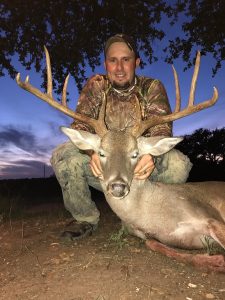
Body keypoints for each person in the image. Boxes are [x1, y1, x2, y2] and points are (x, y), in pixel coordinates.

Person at [51, 34, 192, 239]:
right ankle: (85, 218)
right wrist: (91, 151)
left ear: (136, 62)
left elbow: (161, 130)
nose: (119, 67)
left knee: (178, 164)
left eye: (126, 60)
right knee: (63, 155)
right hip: (104, 166)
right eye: (113, 60)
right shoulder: (96, 85)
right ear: (105, 63)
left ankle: (148, 217)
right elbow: (80, 126)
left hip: (138, 166)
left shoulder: (151, 87)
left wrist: (151, 156)